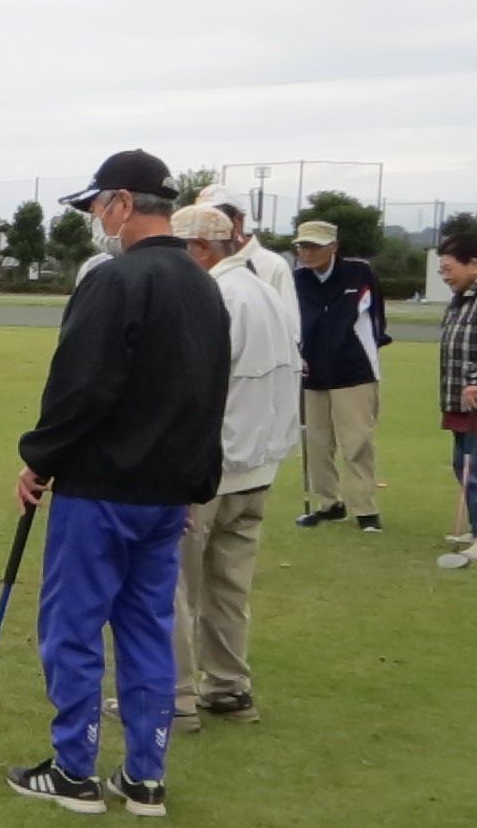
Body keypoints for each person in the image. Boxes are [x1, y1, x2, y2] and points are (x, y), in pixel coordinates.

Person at [8, 150, 230, 818]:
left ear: (125, 203)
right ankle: (144, 778)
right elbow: (209, 397)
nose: (98, 219)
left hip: (101, 490)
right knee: (144, 630)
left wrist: (38, 458)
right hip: (167, 496)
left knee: (74, 629)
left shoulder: (114, 282)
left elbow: (81, 387)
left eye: (100, 205)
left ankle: (74, 771)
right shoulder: (203, 286)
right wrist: (191, 484)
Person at [165, 204, 300, 730]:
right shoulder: (265, 290)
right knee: (228, 587)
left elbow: (193, 390)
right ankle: (228, 686)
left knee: (171, 584)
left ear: (200, 249)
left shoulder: (214, 295)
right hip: (259, 466)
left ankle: (171, 697)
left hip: (211, 467)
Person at [292, 219, 389, 532]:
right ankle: (329, 504)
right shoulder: (297, 280)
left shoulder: (358, 273)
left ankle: (366, 509)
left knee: (357, 440)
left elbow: (375, 319)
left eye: (314, 246)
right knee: (317, 443)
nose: (307, 253)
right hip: (312, 371)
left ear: (333, 247)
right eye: (302, 246)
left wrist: (370, 350)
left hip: (354, 370)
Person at [194, 185, 301, 339]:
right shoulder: (199, 262)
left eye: (216, 220)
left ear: (238, 221)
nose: (207, 228)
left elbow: (291, 330)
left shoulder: (273, 265)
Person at [435, 234, 477, 545]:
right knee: (462, 465)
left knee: (474, 469)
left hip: (474, 397)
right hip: (458, 399)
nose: (444, 276)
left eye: (448, 269)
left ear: (473, 264)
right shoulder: (460, 301)